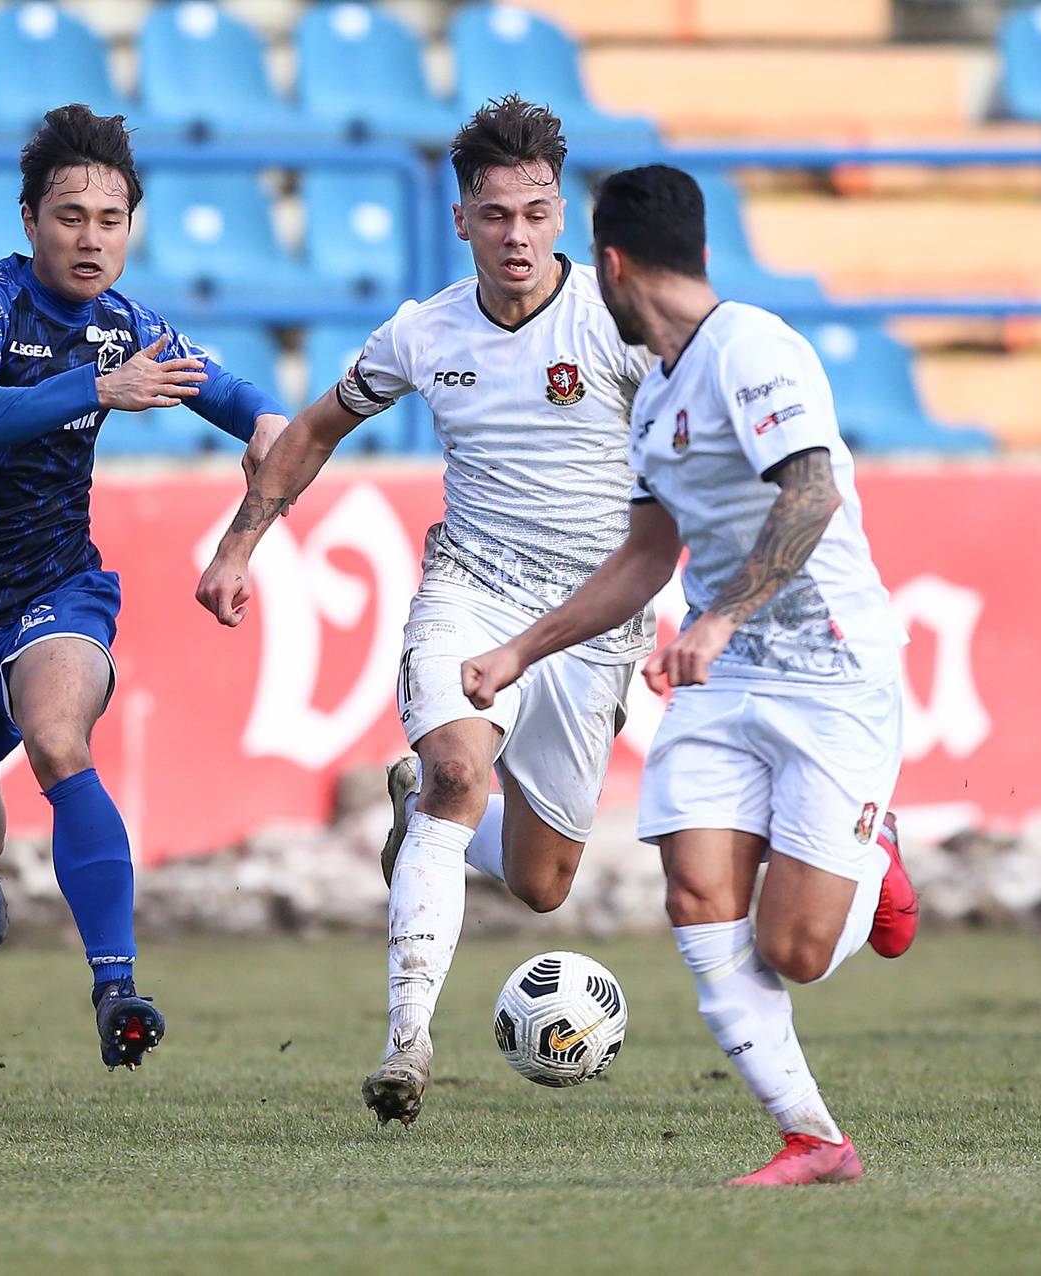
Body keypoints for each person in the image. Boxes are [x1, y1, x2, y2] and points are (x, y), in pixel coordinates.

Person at [195, 97, 653, 1126]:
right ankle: (408, 1043)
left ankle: (419, 818)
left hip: (594, 618)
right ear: (461, 221)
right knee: (458, 766)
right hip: (474, 585)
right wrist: (238, 544)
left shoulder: (624, 326)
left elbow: (695, 467)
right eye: (496, 215)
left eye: (537, 213)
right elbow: (315, 426)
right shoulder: (424, 332)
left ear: (562, 216)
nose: (518, 236)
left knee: (543, 883)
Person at [460, 164, 919, 1187]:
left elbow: (812, 493)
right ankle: (815, 1139)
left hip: (832, 670)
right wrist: (518, 651)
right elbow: (642, 558)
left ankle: (875, 857)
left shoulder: (752, 348)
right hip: (725, 675)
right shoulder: (655, 389)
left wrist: (718, 618)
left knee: (795, 947)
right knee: (695, 890)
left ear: (614, 264)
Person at [0, 104, 289, 1070]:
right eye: (69, 216)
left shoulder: (129, 326)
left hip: (51, 586)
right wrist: (99, 389)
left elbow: (231, 394)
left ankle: (116, 987)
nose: (90, 237)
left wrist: (269, 424)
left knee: (61, 741)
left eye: (110, 220)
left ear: (131, 228)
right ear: (29, 222)